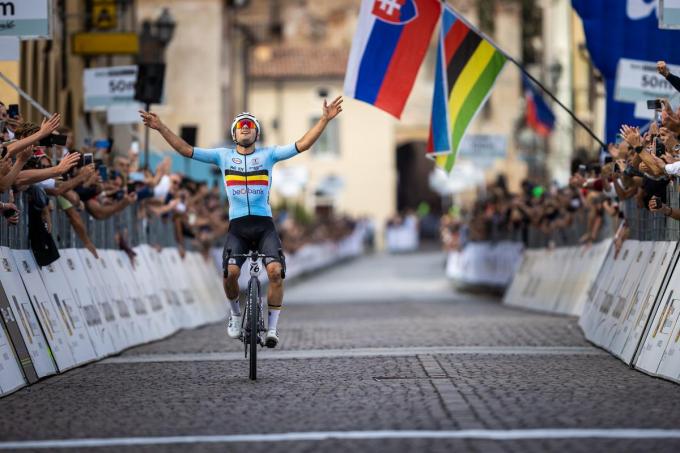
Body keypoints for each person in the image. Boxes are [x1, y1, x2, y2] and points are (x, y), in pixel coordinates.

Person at [139, 96, 343, 347]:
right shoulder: (222, 156)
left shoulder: (269, 154)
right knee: (231, 274)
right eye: (241, 126)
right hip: (238, 227)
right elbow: (185, 149)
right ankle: (235, 315)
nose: (245, 128)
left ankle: (272, 328)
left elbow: (303, 144)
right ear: (234, 134)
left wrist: (324, 120)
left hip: (264, 225)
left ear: (256, 133)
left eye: (250, 125)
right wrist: (161, 127)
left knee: (276, 273)